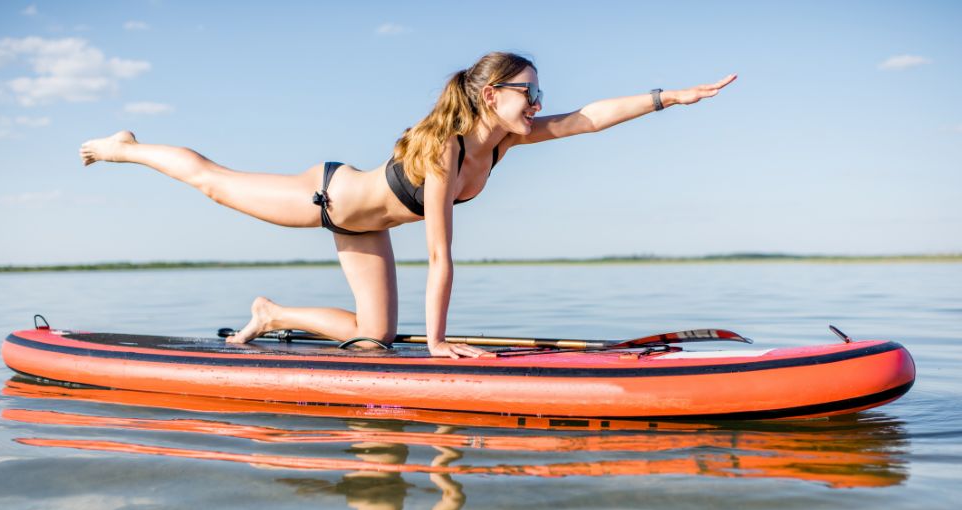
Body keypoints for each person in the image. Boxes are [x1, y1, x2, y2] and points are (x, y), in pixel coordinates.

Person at [80, 52, 735, 358]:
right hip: (325, 198)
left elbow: (588, 118)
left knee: (377, 338)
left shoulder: (509, 139)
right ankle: (124, 148)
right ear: (488, 96)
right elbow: (441, 255)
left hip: (366, 232)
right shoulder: (445, 150)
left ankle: (270, 313)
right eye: (527, 92)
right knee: (213, 181)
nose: (538, 103)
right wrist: (442, 345)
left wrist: (668, 97)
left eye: (539, 93)